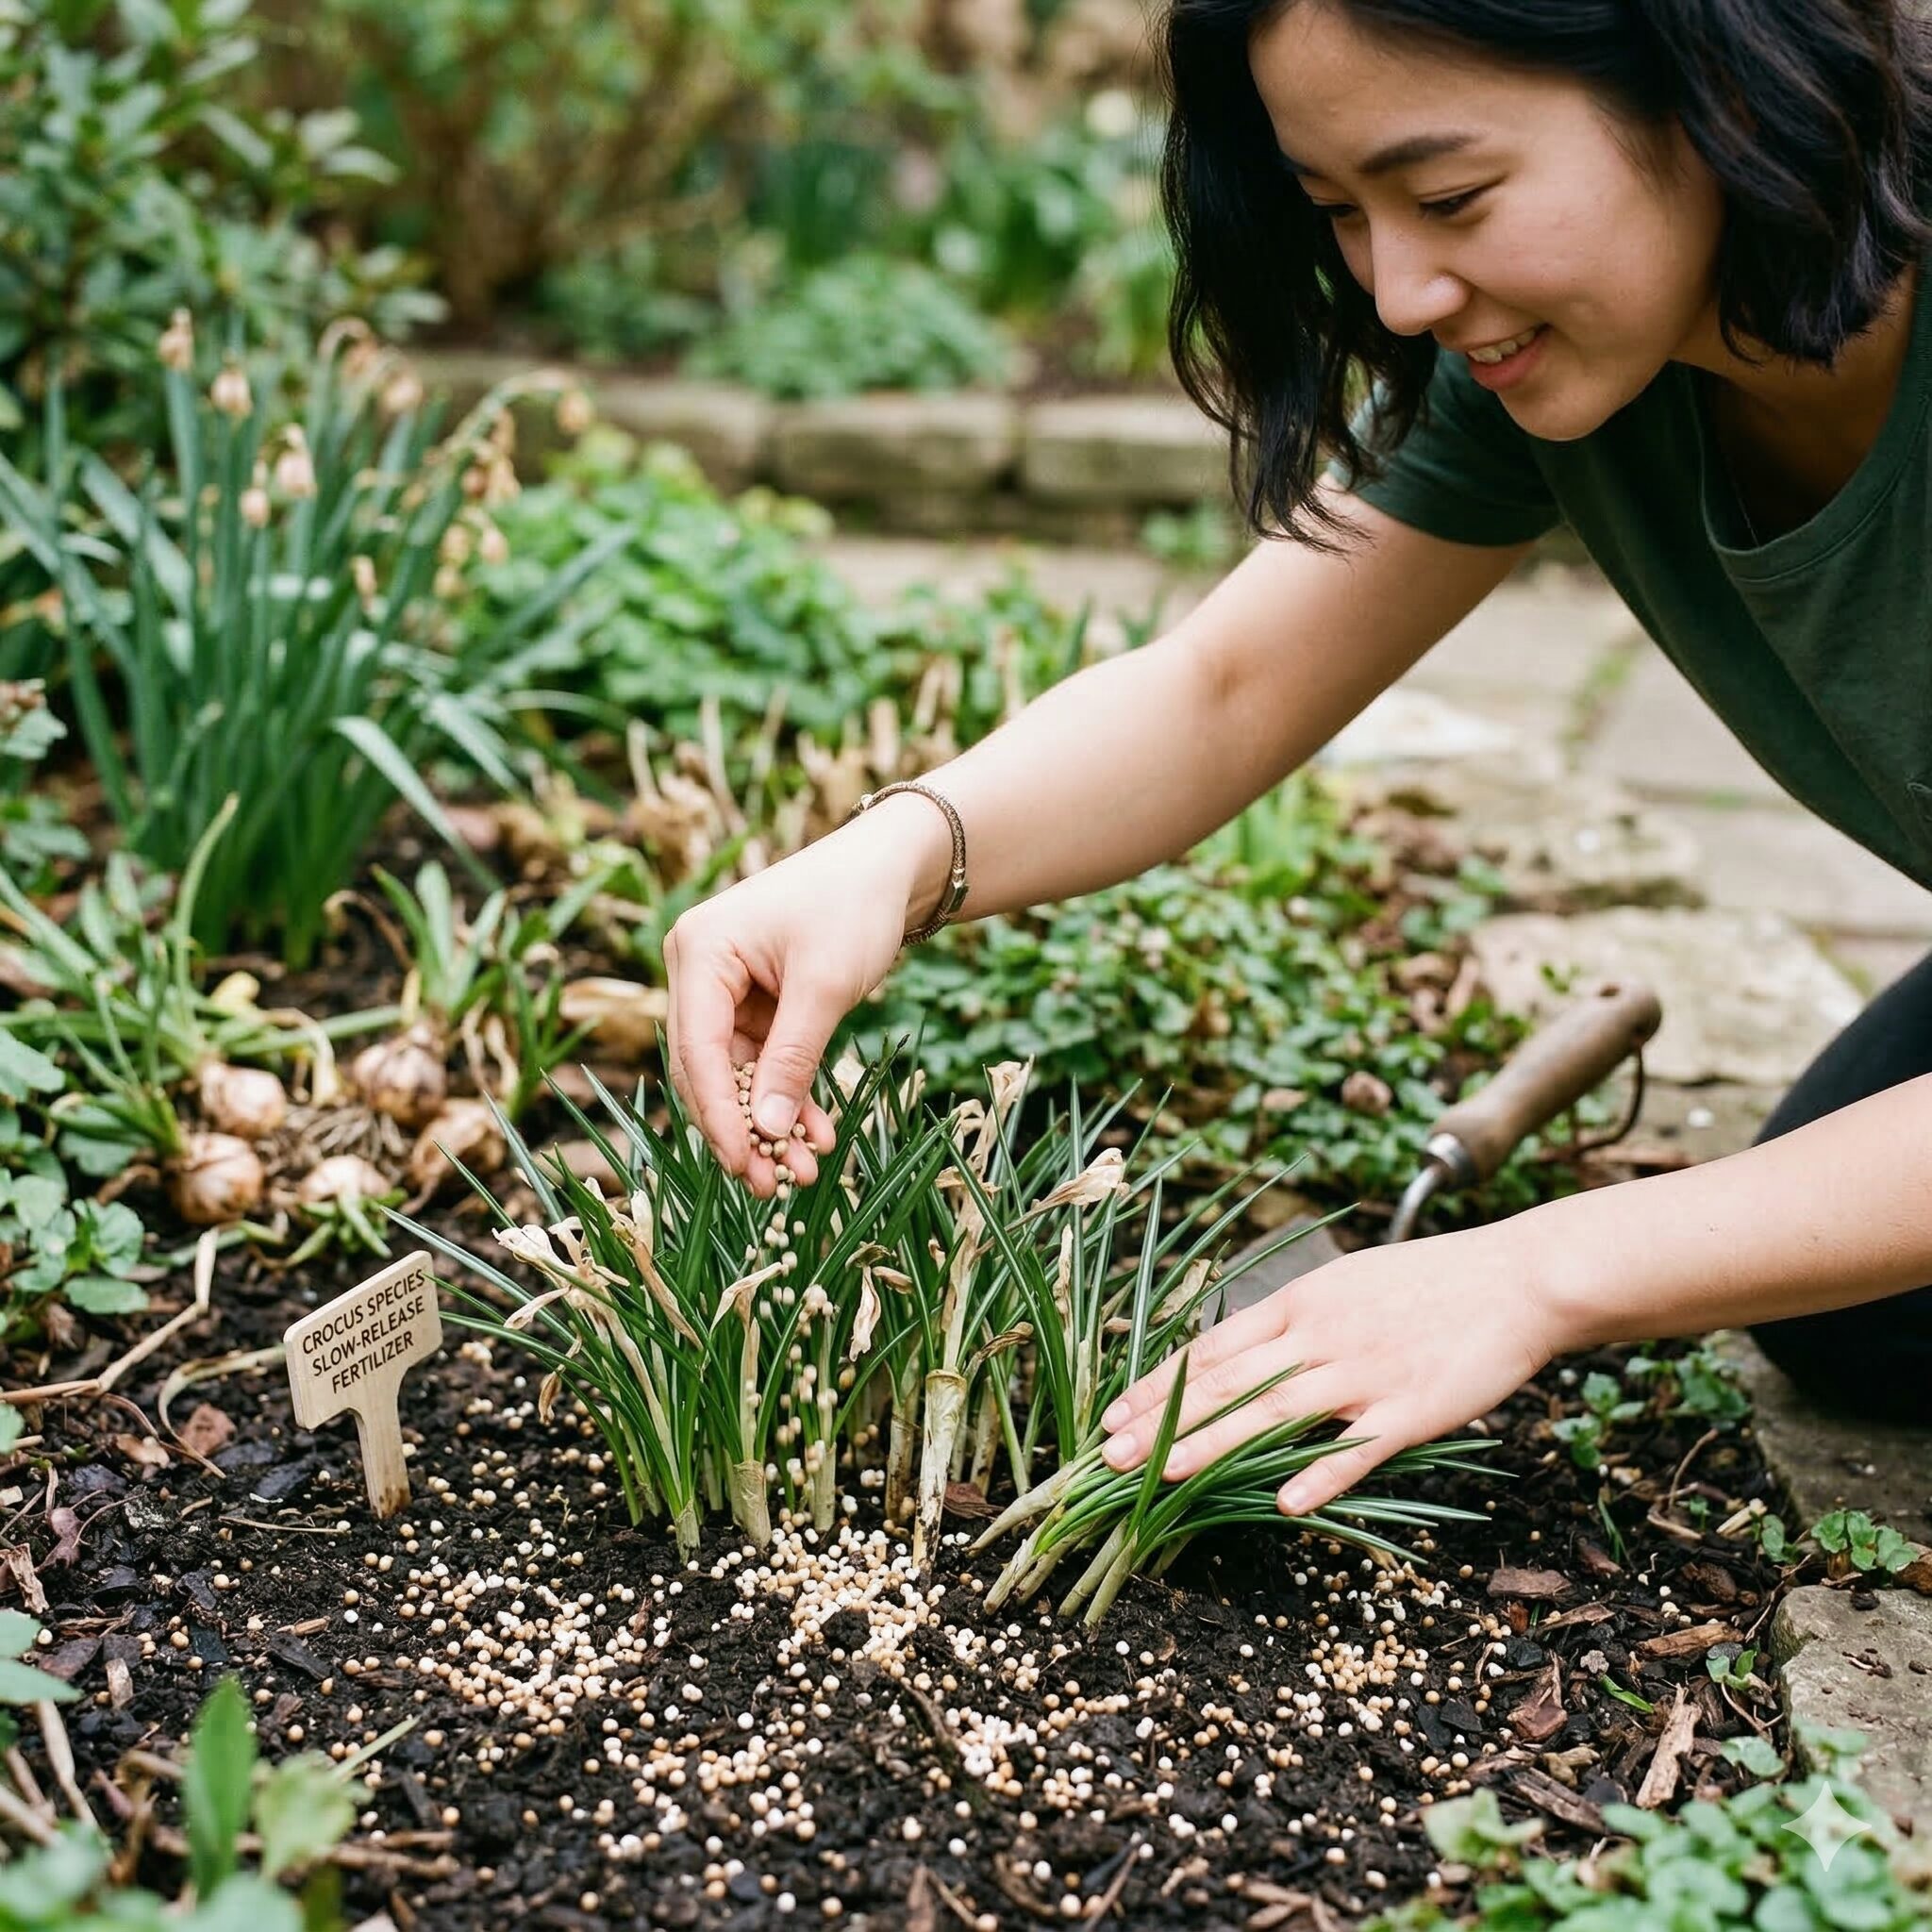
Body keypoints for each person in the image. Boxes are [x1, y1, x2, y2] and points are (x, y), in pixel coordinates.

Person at [663, 0, 1932, 1519]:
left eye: (1451, 197)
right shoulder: (1584, 368)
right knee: (1848, 1304)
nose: (1398, 291)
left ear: (1718, 81)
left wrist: (1531, 1274)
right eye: (1342, 213)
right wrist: (894, 855)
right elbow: (1227, 683)